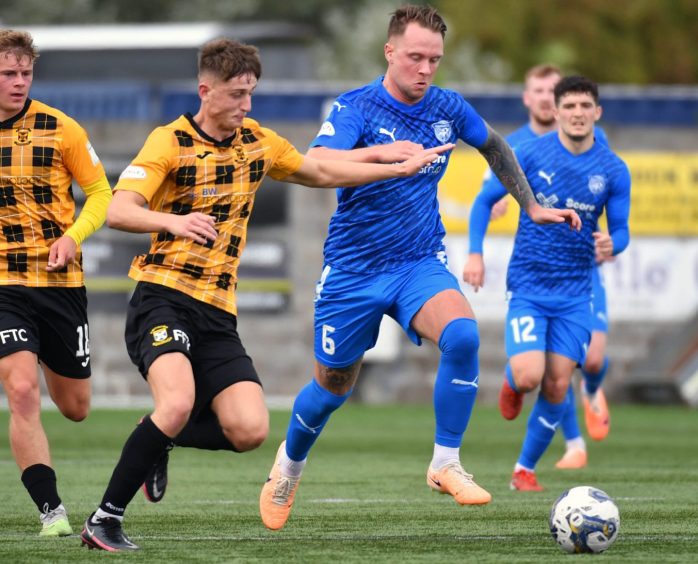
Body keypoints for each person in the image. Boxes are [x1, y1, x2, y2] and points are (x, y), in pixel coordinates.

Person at [78, 37, 454, 553]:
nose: (246, 105)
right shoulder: (168, 142)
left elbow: (319, 169)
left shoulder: (257, 142)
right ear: (205, 90)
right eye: (236, 94)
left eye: (251, 93)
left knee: (250, 430)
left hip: (216, 313)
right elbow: (119, 209)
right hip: (161, 298)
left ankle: (156, 438)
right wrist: (174, 220)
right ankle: (104, 520)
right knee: (179, 401)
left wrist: (386, 160)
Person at [259, 5, 580, 531]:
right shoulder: (356, 107)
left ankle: (445, 462)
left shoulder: (448, 107)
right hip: (354, 269)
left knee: (463, 335)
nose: (425, 68)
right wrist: (387, 159)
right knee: (332, 388)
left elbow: (494, 145)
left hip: (417, 262)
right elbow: (313, 164)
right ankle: (288, 467)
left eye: (434, 59)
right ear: (390, 52)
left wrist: (533, 205)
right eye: (415, 57)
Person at [464, 75, 631, 491]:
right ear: (556, 112)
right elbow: (484, 201)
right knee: (528, 376)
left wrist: (614, 243)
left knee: (559, 383)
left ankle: (524, 469)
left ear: (597, 113)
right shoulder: (529, 153)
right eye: (569, 107)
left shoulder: (612, 168)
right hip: (530, 287)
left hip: (577, 292)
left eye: (584, 107)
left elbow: (623, 230)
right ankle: (511, 380)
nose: (577, 114)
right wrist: (474, 253)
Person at [0, 30, 112, 536]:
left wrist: (73, 235)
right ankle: (53, 512)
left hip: (61, 285)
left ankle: (158, 439)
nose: (19, 82)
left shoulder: (59, 127)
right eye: (8, 73)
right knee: (20, 388)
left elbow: (101, 194)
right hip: (5, 285)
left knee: (75, 408)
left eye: (25, 73)